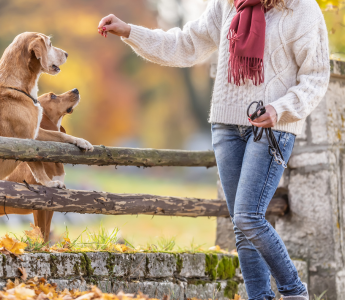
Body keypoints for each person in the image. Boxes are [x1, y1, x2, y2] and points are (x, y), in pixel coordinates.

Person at [97, 0, 330, 299]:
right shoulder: (228, 5)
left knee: (248, 217)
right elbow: (184, 45)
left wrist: (281, 108)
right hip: (226, 126)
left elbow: (316, 75)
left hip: (272, 127)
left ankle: (295, 291)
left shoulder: (301, 8)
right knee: (241, 228)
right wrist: (130, 31)